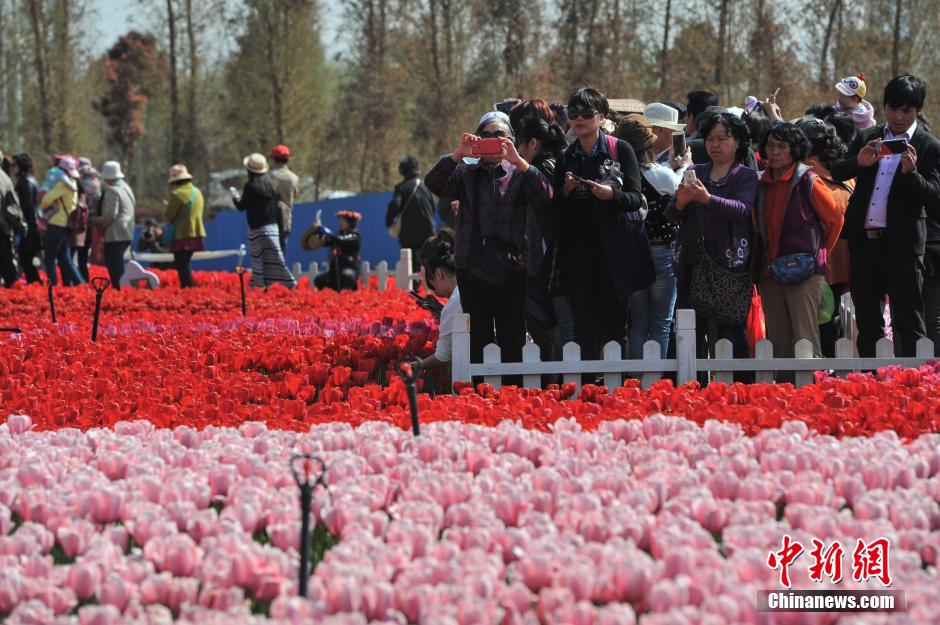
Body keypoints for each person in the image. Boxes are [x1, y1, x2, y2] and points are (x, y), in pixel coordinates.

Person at [425, 110, 552, 371]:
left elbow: (546, 196)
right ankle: (482, 394)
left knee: (512, 335)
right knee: (478, 336)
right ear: (477, 140)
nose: (493, 140)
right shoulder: (465, 173)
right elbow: (434, 183)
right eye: (486, 135)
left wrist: (519, 161)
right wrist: (458, 153)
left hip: (512, 269)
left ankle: (512, 392)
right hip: (471, 267)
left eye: (500, 135)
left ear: (511, 140)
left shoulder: (519, 173)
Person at [830, 74, 940, 357]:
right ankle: (869, 386)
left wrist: (910, 173)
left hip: (903, 247)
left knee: (908, 322)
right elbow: (838, 171)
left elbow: (932, 194)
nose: (899, 116)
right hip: (865, 243)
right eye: (893, 108)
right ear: (884, 106)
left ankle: (914, 386)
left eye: (907, 110)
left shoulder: (928, 146)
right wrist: (859, 162)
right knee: (868, 323)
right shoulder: (869, 136)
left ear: (918, 110)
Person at [552, 87, 654, 363]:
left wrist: (612, 195)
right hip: (579, 253)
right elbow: (555, 213)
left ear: (602, 116)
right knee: (584, 326)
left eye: (587, 113)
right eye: (573, 113)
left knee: (615, 324)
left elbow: (635, 199)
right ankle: (588, 392)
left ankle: (617, 389)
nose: (579, 119)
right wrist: (565, 191)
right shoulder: (566, 156)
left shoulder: (620, 149)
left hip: (615, 252)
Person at [665, 112, 758, 370]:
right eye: (710, 139)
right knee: (688, 335)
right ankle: (691, 390)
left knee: (731, 335)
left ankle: (741, 392)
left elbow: (741, 208)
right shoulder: (695, 171)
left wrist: (707, 199)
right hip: (691, 264)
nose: (715, 145)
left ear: (737, 141)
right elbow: (672, 213)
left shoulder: (745, 176)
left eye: (722, 139)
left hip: (729, 267)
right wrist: (682, 202)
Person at [753, 123, 843, 361]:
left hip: (804, 274)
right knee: (779, 343)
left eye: (782, 146)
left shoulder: (809, 181)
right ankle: (783, 396)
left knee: (805, 343)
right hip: (770, 273)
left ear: (795, 150)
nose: (774, 152)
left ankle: (810, 397)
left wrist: (818, 257)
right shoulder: (761, 183)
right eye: (770, 146)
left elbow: (835, 220)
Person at [616, 114, 691, 359]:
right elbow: (677, 185)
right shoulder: (658, 173)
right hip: (661, 250)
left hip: (632, 252)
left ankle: (637, 381)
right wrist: (683, 166)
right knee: (660, 323)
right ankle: (655, 380)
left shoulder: (617, 175)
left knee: (638, 323)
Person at [795, 117, 855, 357]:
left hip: (816, 267)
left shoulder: (806, 179)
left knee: (818, 333)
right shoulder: (849, 178)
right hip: (845, 267)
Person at [514, 114, 570, 361]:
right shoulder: (557, 163)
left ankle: (555, 378)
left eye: (520, 145)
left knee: (547, 324)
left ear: (533, 144)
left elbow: (546, 210)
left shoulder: (541, 169)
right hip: (552, 258)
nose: (517, 151)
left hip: (543, 259)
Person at [234, 153, 296, 290]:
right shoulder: (272, 183)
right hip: (272, 227)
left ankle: (258, 285)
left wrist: (235, 198)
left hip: (256, 229)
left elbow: (241, 206)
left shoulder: (250, 186)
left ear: (249, 170)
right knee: (276, 259)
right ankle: (287, 284)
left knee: (258, 260)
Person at [415, 234, 462, 371]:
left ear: (439, 274)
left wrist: (417, 365)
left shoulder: (453, 303)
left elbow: (442, 356)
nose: (435, 291)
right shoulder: (478, 288)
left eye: (433, 284)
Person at [39, 156, 84, 286]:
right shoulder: (74, 184)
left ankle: (53, 287)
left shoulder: (63, 184)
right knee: (65, 259)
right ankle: (80, 284)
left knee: (50, 259)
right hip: (67, 226)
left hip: (56, 225)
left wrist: (46, 205)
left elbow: (46, 199)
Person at [386, 155, 435, 272]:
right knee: (429, 265)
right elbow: (433, 208)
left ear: (402, 170)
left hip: (409, 235)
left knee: (412, 268)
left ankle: (414, 289)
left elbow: (395, 205)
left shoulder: (401, 188)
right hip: (428, 233)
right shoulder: (425, 187)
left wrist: (389, 222)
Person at [92, 161, 135, 289]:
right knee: (118, 263)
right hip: (127, 231)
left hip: (115, 234)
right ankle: (122, 290)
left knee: (115, 266)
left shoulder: (111, 191)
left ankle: (119, 291)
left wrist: (96, 221)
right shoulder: (126, 187)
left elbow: (110, 215)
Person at [163, 164, 206, 288]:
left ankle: (189, 291)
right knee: (184, 265)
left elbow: (168, 216)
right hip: (196, 233)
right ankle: (190, 289)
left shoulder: (176, 194)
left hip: (182, 236)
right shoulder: (197, 192)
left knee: (181, 266)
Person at [309, 210, 361, 291]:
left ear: (350, 222)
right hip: (335, 270)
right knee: (319, 280)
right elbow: (327, 242)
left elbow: (340, 240)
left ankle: (351, 295)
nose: (341, 222)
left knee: (345, 277)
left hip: (349, 268)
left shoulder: (354, 235)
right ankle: (330, 298)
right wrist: (317, 232)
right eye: (340, 220)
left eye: (343, 220)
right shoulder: (338, 234)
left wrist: (322, 229)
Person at [11, 153, 41, 284]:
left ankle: (35, 283)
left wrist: (21, 223)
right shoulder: (31, 179)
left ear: (20, 166)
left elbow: (28, 206)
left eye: (14, 165)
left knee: (25, 257)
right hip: (34, 223)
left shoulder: (24, 182)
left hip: (29, 224)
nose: (12, 168)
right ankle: (34, 282)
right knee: (26, 257)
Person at [268, 144, 299, 253]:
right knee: (281, 250)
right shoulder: (294, 178)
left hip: (268, 220)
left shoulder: (267, 176)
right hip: (285, 221)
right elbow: (295, 194)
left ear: (273, 159)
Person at [0, 151, 24, 287]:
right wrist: (18, 223)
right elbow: (12, 207)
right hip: (5, 229)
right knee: (8, 268)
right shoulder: (6, 178)